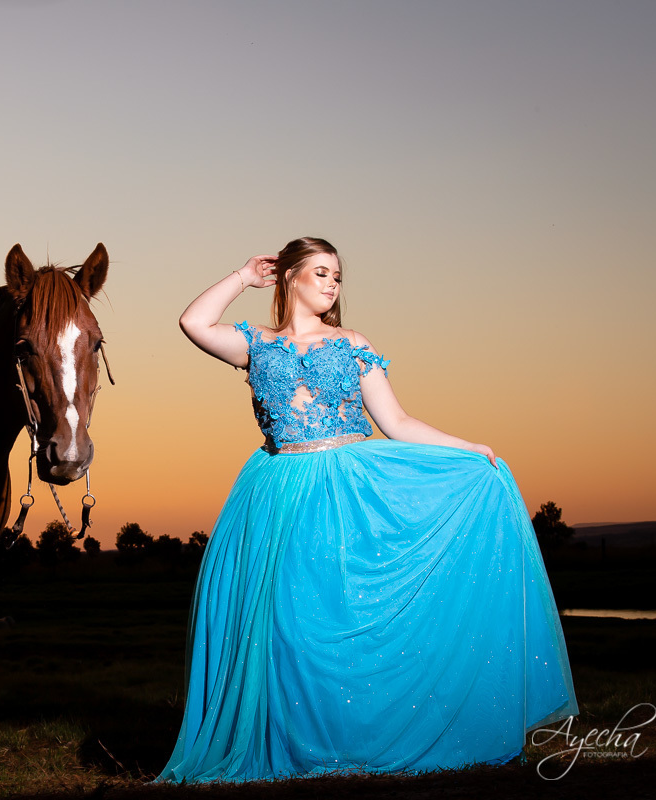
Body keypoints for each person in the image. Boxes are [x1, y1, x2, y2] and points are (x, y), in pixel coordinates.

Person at [157, 236, 578, 782]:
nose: (333, 284)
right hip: (280, 492)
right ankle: (299, 742)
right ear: (290, 277)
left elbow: (398, 423)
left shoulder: (352, 343)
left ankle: (365, 737)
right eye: (321, 273)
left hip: (350, 490)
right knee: (291, 625)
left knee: (348, 614)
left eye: (337, 276)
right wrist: (241, 276)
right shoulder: (255, 344)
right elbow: (193, 323)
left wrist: (467, 448)